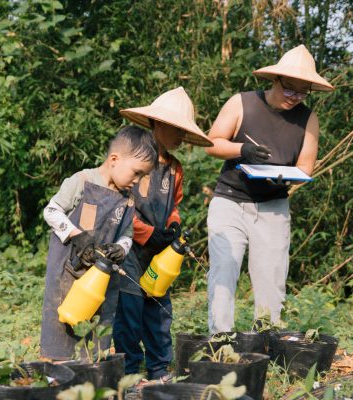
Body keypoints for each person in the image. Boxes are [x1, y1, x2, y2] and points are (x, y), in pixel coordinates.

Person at [205, 45, 334, 334]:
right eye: (290, 89)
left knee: (271, 277)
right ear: (276, 80)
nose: (294, 97)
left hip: (273, 205)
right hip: (230, 201)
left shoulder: (307, 118)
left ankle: (266, 338)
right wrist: (242, 149)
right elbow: (212, 142)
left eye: (302, 92)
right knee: (225, 269)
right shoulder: (243, 103)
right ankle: (219, 338)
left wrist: (288, 179)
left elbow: (306, 166)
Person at [113, 87, 213, 382]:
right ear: (157, 124)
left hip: (159, 254)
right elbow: (119, 204)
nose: (181, 137)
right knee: (129, 311)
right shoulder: (132, 159)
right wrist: (146, 233)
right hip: (129, 247)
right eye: (177, 130)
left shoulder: (175, 168)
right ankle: (130, 372)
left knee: (158, 309)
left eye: (185, 131)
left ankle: (158, 369)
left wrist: (173, 225)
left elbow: (175, 205)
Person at [40, 126, 158, 361]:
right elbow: (51, 211)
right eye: (136, 173)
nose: (137, 181)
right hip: (69, 273)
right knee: (62, 331)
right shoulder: (82, 180)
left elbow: (127, 234)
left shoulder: (128, 199)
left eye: (142, 177)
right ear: (114, 159)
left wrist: (121, 248)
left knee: (97, 337)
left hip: (102, 280)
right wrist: (76, 234)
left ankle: (92, 378)